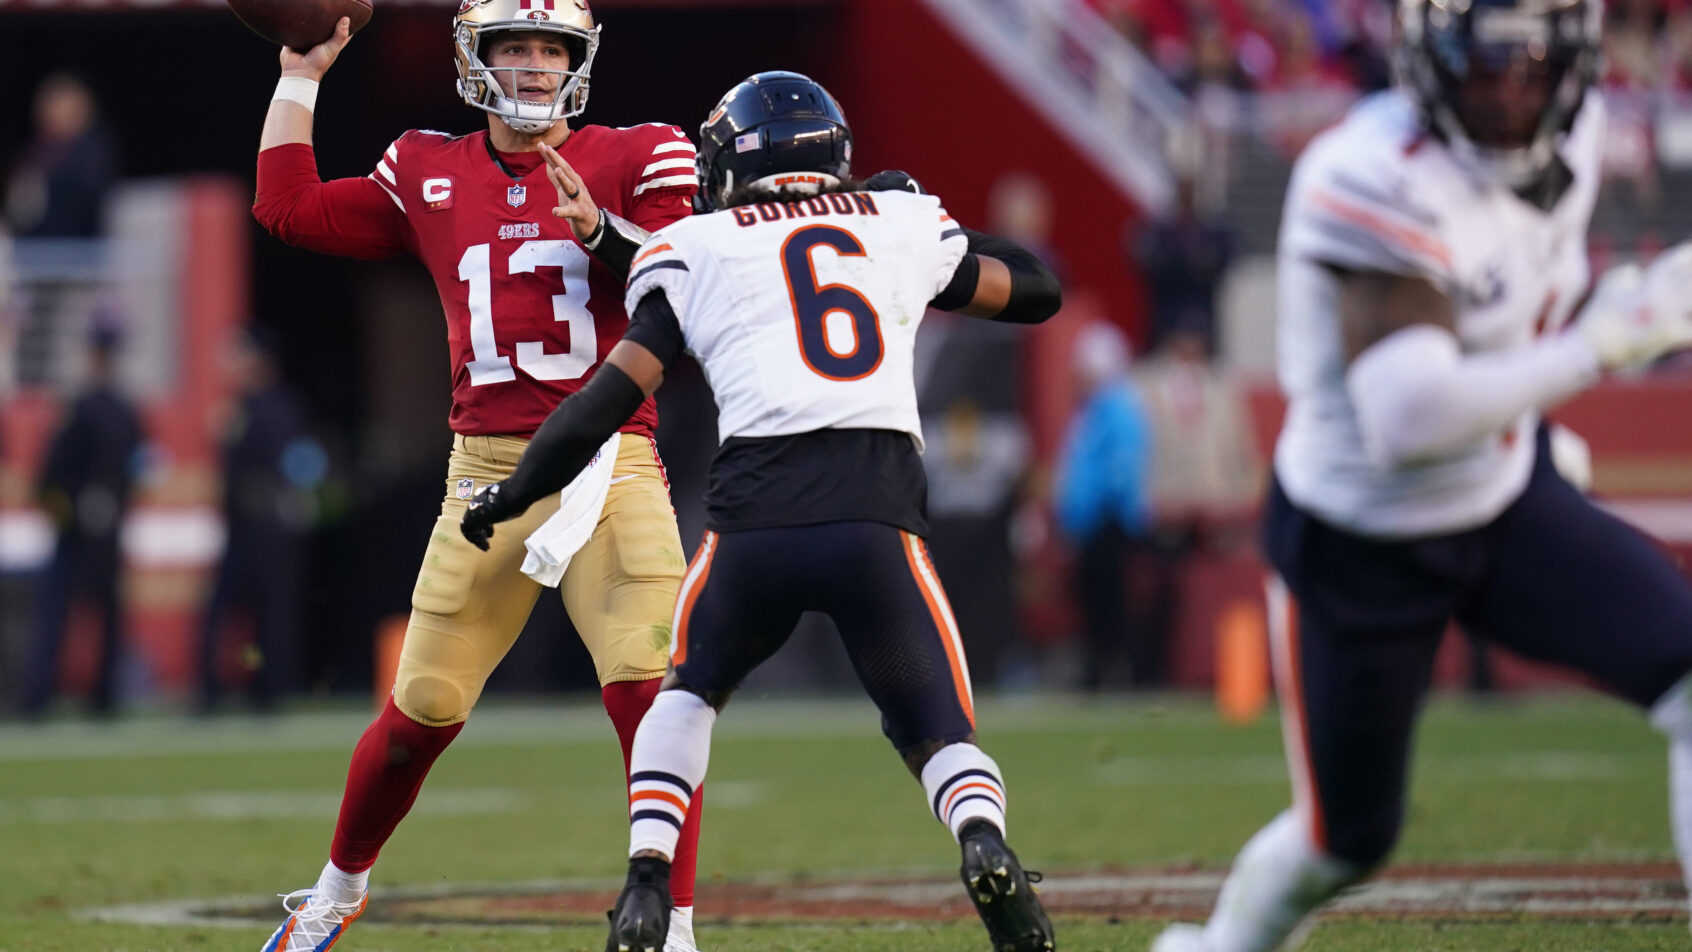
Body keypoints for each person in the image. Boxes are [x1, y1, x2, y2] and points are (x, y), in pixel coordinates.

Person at [458, 72, 1063, 952]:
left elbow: (602, 401)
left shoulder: (698, 246)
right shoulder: (893, 227)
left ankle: (645, 882)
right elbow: (1036, 289)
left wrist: (513, 493)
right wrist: (919, 216)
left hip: (754, 524)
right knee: (934, 724)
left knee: (690, 691)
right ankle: (980, 839)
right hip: (875, 514)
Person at [1151, 2, 1692, 951]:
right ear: (1426, 65)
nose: (1509, 95)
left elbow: (1505, 308)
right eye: (1484, 68)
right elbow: (1410, 421)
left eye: (1532, 69)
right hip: (1367, 538)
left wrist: (1534, 413)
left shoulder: (1583, 131)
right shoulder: (1371, 176)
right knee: (1346, 841)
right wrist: (1602, 344)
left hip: (1501, 493)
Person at [248, 4, 706, 950]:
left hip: (609, 462)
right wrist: (302, 73)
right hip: (486, 472)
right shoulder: (427, 168)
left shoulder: (643, 154)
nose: (535, 68)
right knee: (421, 713)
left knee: (647, 691)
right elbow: (287, 210)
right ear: (476, 57)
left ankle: (679, 927)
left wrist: (606, 237)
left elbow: (691, 292)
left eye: (552, 50)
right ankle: (337, 889)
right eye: (515, 48)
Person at [22, 322, 143, 717]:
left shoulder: (124, 410)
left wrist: (115, 508)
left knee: (105, 616)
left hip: (106, 534)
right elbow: (49, 477)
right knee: (56, 616)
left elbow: (136, 467)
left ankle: (103, 696)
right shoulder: (81, 408)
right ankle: (40, 697)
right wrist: (70, 515)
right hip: (74, 533)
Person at [195, 327, 320, 714]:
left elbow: (304, 462)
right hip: (239, 525)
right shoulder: (239, 408)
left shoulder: (283, 406)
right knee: (222, 611)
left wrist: (291, 502)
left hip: (269, 524)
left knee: (272, 613)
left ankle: (270, 692)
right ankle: (212, 692)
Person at [1052, 321, 1155, 690]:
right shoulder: (1093, 408)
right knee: (1094, 601)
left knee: (1110, 601)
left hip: (1108, 522)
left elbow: (1122, 468)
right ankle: (1100, 670)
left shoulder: (1118, 406)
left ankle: (1115, 673)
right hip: (1090, 522)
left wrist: (1102, 512)